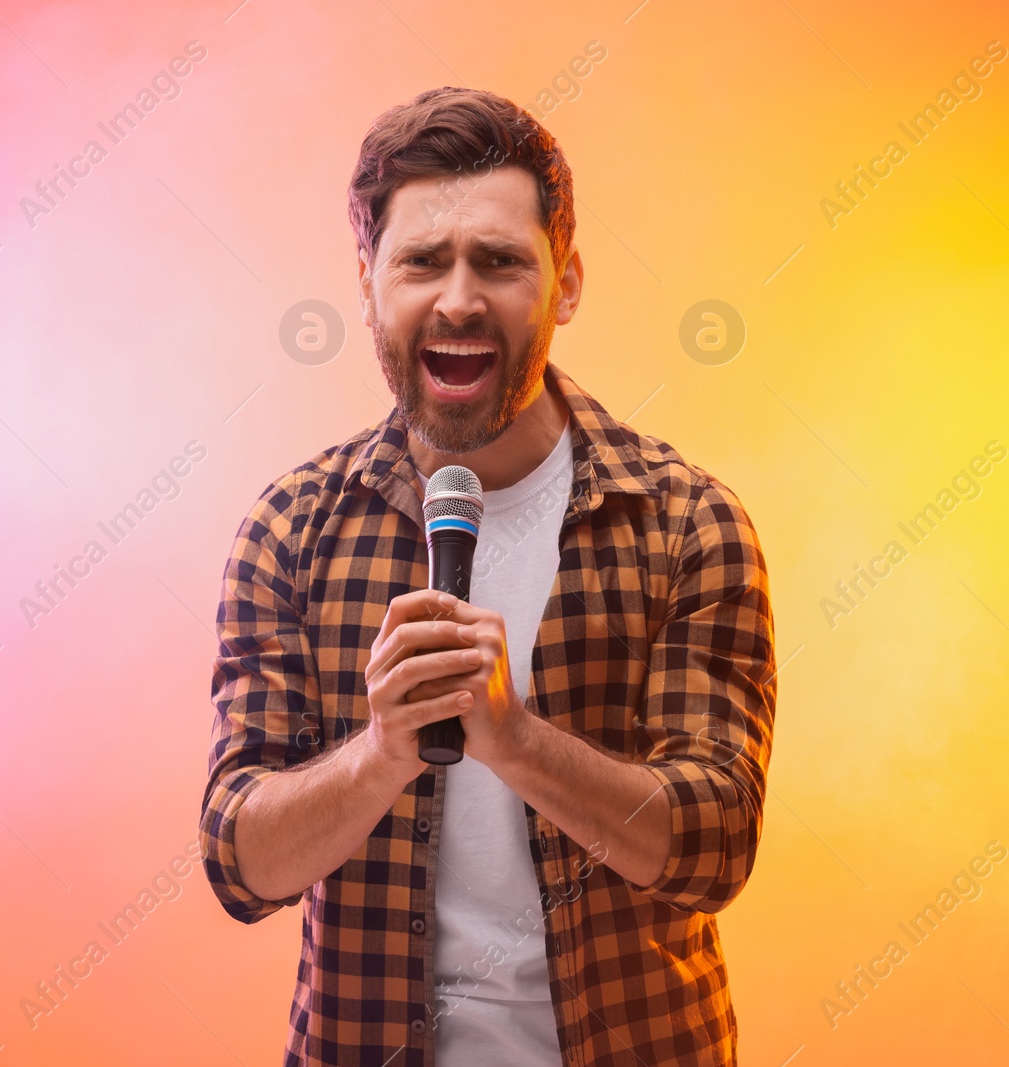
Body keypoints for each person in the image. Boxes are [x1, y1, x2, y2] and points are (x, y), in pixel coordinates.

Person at [200, 85, 777, 1067]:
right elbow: (241, 863)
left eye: (500, 261)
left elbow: (713, 844)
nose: (458, 298)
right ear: (368, 282)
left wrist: (513, 738)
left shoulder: (685, 522)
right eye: (423, 260)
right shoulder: (293, 530)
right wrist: (381, 750)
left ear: (566, 284)